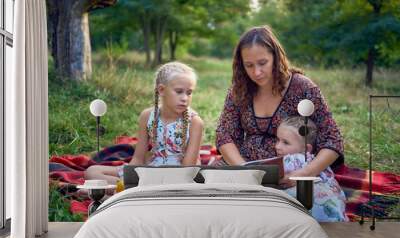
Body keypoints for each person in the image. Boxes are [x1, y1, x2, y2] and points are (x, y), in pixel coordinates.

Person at [215, 25, 344, 188]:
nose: (256, 72)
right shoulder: (239, 89)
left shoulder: (302, 88)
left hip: (292, 172)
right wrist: (244, 171)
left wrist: (304, 174)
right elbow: (225, 134)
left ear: (276, 57)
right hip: (245, 166)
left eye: (263, 63)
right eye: (249, 65)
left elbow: (332, 139)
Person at [85, 61, 204, 186]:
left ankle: (121, 192)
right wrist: (130, 174)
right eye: (179, 91)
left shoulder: (195, 122)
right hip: (150, 170)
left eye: (189, 92)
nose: (185, 98)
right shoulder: (147, 116)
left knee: (168, 183)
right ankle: (123, 188)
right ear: (162, 90)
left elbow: (188, 169)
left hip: (178, 177)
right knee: (92, 172)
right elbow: (138, 158)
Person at [276, 117, 348, 222]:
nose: (277, 146)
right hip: (336, 209)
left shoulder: (290, 161)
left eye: (285, 143)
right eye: (277, 140)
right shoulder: (316, 163)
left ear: (306, 148)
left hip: (313, 214)